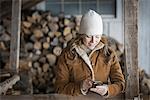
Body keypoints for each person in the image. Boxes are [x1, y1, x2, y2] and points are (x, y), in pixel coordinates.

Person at [55, 10, 125, 98]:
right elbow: (59, 88)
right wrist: (80, 87)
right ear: (81, 34)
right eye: (88, 36)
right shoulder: (67, 54)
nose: (93, 41)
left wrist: (108, 90)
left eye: (97, 36)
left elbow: (120, 84)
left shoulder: (108, 53)